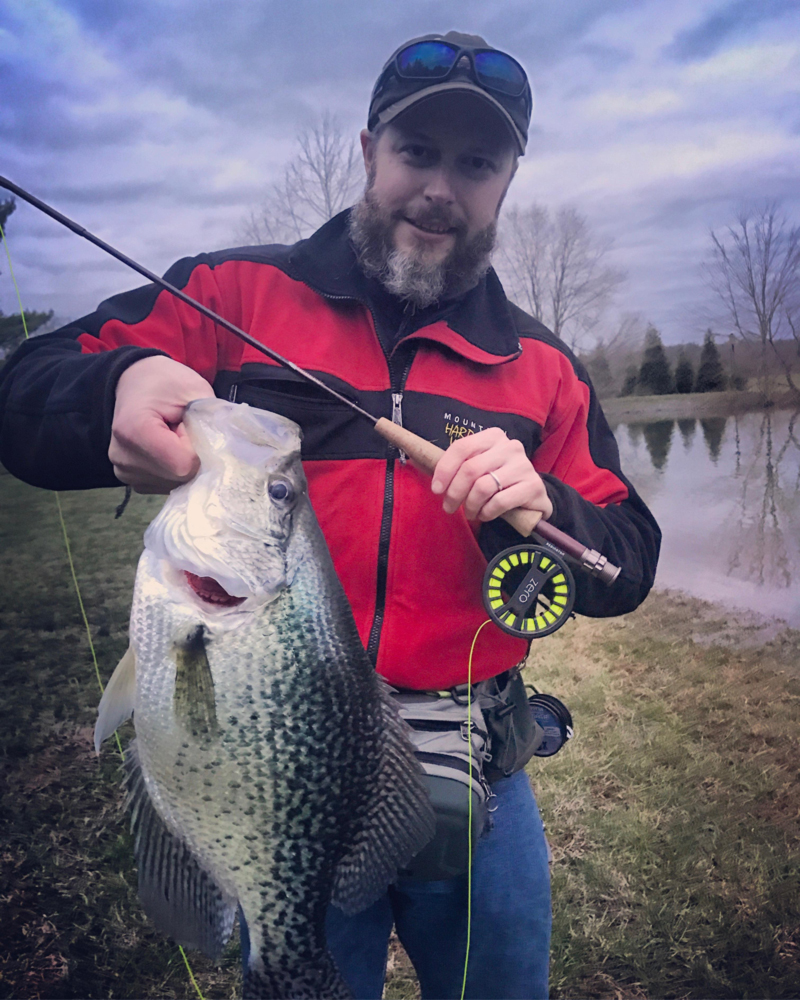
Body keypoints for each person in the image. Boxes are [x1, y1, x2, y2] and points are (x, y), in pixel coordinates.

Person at [0, 31, 660, 1000]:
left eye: (475, 162)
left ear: (507, 180)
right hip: (274, 767)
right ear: (365, 152)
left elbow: (627, 556)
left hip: (478, 769)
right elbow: (26, 387)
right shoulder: (228, 296)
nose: (440, 186)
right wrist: (118, 387)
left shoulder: (542, 370)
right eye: (415, 151)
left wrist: (544, 504)